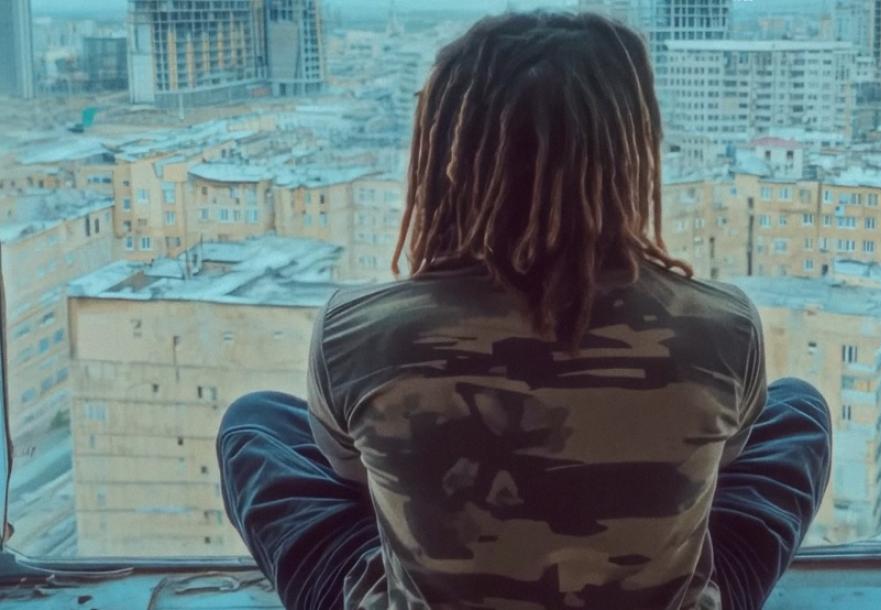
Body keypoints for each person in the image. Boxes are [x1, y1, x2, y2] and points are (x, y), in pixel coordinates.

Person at [217, 11, 831, 610]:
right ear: (629, 153)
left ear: (447, 155)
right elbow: (728, 463)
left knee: (258, 423)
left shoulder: (358, 332)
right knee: (798, 412)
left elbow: (351, 479)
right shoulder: (722, 327)